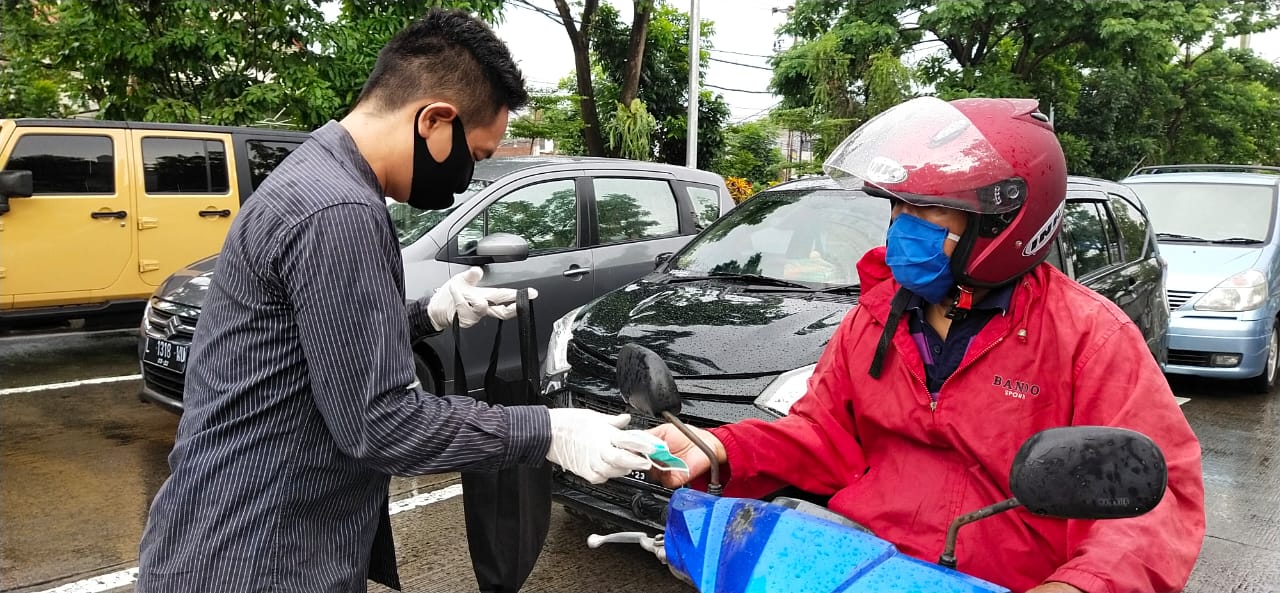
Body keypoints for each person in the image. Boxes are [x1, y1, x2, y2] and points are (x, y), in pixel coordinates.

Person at [137, 10, 658, 593]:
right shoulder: (340, 211)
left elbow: (319, 336)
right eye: (477, 156)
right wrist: (547, 431)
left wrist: (428, 312)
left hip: (231, 537)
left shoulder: (319, 175)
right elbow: (380, 423)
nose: (466, 177)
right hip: (260, 555)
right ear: (436, 121)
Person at [650, 96, 1205, 593]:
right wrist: (721, 446)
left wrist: (1081, 585)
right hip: (864, 567)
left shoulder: (1088, 337)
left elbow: (1154, 504)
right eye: (896, 206)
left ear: (1004, 220)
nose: (899, 226)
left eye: (925, 209)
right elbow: (824, 434)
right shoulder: (875, 316)